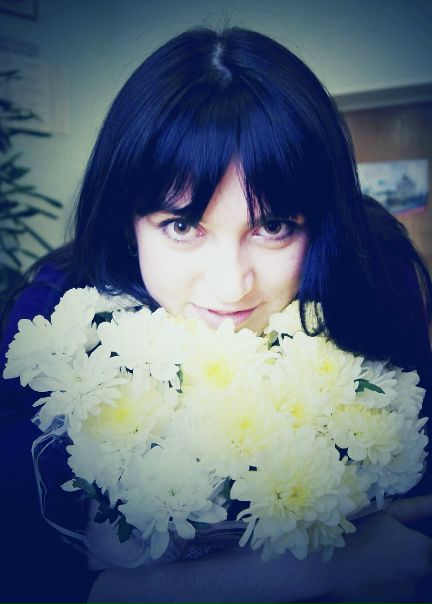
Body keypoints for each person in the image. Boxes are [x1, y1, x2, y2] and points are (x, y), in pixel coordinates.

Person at [1, 26, 432, 603]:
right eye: (183, 226)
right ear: (128, 222)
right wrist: (318, 570)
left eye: (273, 226)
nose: (231, 287)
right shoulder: (58, 326)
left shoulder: (371, 277)